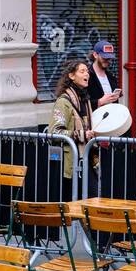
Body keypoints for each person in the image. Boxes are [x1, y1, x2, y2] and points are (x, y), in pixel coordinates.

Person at [47, 58, 97, 193]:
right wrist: (81, 135)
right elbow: (54, 132)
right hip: (71, 162)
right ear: (71, 76)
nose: (87, 74)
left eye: (87, 71)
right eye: (82, 71)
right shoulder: (63, 102)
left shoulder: (85, 100)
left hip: (86, 159)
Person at [87, 39, 122, 110]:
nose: (108, 61)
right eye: (104, 57)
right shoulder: (87, 76)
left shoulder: (111, 77)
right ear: (95, 55)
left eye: (110, 58)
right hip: (94, 118)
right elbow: (80, 103)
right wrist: (99, 102)